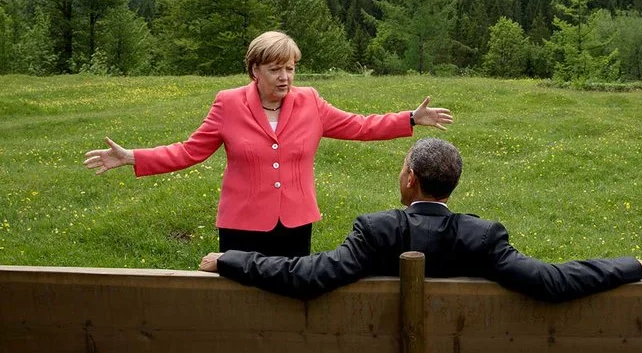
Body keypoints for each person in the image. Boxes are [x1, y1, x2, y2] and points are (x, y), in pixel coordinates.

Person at [83, 31, 453, 257]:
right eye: (276, 69)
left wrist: (410, 118)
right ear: (255, 70)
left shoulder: (310, 102)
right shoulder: (228, 104)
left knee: (289, 297)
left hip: (295, 223)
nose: (285, 76)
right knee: (239, 301)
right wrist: (133, 157)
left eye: (290, 68)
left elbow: (359, 125)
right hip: (241, 224)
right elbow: (190, 150)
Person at [200, 138, 642, 303]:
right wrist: (630, 266)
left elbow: (307, 275)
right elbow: (552, 281)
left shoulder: (376, 231)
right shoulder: (482, 237)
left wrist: (231, 259)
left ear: (410, 179)